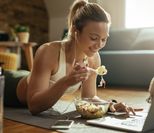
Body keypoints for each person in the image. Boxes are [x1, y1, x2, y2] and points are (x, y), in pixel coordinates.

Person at [4, 0, 141, 115]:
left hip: (29, 79)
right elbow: (34, 106)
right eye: (94, 38)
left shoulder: (93, 59)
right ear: (76, 31)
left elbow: (89, 97)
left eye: (104, 39)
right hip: (8, 87)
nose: (99, 45)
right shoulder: (49, 52)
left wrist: (111, 106)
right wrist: (66, 81)